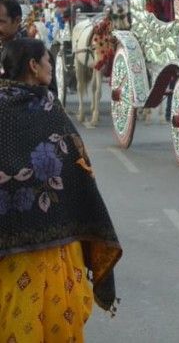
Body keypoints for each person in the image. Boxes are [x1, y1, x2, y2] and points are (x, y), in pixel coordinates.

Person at [0, 38, 121, 340]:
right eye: (48, 62)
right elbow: (76, 161)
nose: (52, 68)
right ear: (33, 66)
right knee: (58, 314)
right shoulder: (47, 105)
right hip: (54, 236)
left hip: (7, 238)